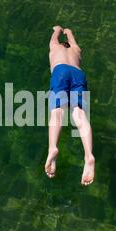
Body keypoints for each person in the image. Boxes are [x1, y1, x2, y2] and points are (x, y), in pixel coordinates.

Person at [45, 25, 95, 186]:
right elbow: (72, 39)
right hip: (77, 73)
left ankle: (53, 147)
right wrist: (69, 32)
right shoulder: (76, 50)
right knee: (79, 114)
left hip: (60, 71)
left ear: (60, 45)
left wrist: (58, 30)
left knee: (58, 112)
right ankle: (88, 155)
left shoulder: (54, 47)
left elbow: (54, 38)